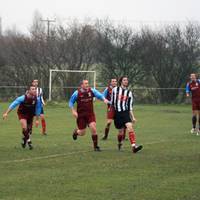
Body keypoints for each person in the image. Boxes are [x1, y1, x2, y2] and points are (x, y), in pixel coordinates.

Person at [69, 79, 109, 151]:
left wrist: (104, 99)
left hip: (90, 114)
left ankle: (95, 146)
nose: (87, 85)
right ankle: (76, 132)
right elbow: (71, 102)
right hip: (81, 116)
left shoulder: (92, 91)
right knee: (82, 133)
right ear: (81, 85)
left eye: (87, 83)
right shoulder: (76, 93)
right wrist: (73, 111)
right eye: (85, 83)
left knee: (93, 128)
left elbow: (99, 95)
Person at [111, 76, 143, 153]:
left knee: (130, 127)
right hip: (117, 113)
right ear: (121, 81)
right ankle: (119, 143)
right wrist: (111, 112)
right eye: (124, 80)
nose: (126, 81)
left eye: (127, 80)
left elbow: (130, 107)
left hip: (125, 113)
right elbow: (112, 102)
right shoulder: (115, 90)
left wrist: (133, 117)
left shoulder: (129, 93)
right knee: (121, 131)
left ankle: (134, 147)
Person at [3, 85, 40, 149]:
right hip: (22, 114)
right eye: (33, 89)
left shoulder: (37, 99)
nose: (35, 90)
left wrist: (37, 120)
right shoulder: (22, 98)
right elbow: (13, 104)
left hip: (30, 115)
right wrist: (6, 113)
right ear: (28, 91)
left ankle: (24, 139)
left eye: (35, 89)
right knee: (24, 127)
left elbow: (38, 109)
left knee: (29, 130)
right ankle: (29, 142)